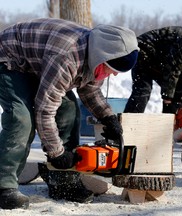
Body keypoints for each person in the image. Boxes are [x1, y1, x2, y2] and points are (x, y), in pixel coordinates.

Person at [0, 18, 139, 209]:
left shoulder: (96, 57)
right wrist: (57, 152)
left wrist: (108, 117)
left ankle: (63, 181)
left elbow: (90, 91)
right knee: (22, 119)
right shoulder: (67, 56)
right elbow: (45, 110)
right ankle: (4, 187)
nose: (113, 75)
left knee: (69, 109)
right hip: (10, 58)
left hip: (40, 64)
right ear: (103, 57)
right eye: (112, 69)